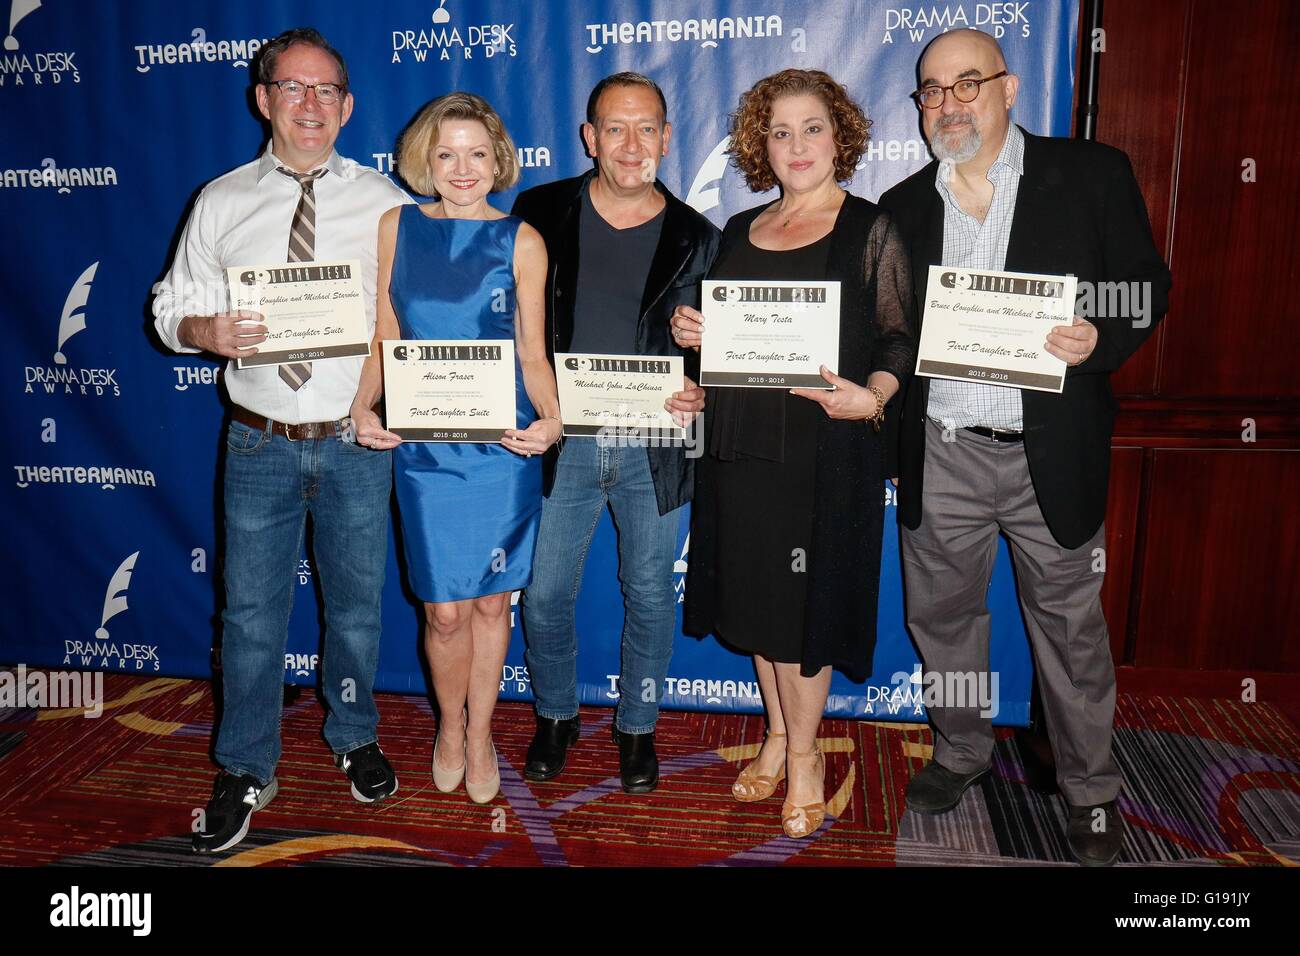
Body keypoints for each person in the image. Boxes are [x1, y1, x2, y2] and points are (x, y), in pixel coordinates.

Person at [879, 29, 1172, 866]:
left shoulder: (1091, 173)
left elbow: (1145, 284)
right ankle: (965, 749)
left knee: (1072, 631)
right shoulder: (901, 209)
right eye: (932, 90)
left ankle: (1090, 788)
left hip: (1053, 449)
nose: (949, 103)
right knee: (945, 624)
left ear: (1009, 88)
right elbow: (891, 336)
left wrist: (1099, 333)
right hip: (943, 453)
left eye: (966, 83)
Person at [152, 28, 411, 853]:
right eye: (292, 88)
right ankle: (244, 764)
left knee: (358, 613)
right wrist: (204, 328)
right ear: (263, 99)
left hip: (353, 441)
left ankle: (353, 734)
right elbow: (168, 310)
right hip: (259, 441)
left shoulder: (388, 202)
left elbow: (414, 319)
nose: (310, 104)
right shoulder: (222, 200)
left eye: (326, 90)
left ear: (349, 106)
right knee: (253, 617)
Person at [675, 69, 917, 838]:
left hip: (823, 453)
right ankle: (778, 734)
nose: (796, 144)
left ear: (839, 135)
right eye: (780, 132)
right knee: (758, 603)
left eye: (812, 127)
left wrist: (873, 397)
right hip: (740, 453)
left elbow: (897, 339)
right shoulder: (740, 231)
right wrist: (698, 345)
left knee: (803, 611)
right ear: (760, 145)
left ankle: (807, 754)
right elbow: (731, 346)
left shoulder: (871, 227)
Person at [511, 73, 720, 793]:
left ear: (667, 137)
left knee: (652, 591)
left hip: (656, 447)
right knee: (542, 596)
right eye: (615, 128)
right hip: (564, 440)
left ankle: (637, 728)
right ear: (589, 137)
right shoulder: (538, 212)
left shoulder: (700, 237)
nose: (632, 145)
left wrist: (705, 384)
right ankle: (557, 716)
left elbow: (723, 352)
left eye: (647, 128)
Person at [350, 93, 560, 805]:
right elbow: (387, 333)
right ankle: (449, 725)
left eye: (476, 153)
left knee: (492, 608)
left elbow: (533, 353)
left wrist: (554, 417)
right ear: (424, 161)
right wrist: (361, 402)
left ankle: (481, 734)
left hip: (500, 448)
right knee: (443, 611)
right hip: (427, 448)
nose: (462, 168)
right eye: (447, 154)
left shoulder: (522, 240)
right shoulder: (396, 228)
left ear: (497, 159)